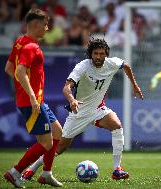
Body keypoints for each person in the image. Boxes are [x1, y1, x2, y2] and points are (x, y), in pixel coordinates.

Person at [21, 38, 144, 181]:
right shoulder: (82, 67)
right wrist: (72, 100)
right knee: (59, 147)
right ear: (90, 54)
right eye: (96, 53)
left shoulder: (112, 63)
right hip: (79, 112)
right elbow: (66, 88)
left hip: (98, 109)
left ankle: (117, 169)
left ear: (106, 54)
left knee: (117, 126)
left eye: (102, 54)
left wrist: (135, 86)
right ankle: (32, 169)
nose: (98, 57)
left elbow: (126, 66)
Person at [4, 8, 63, 188]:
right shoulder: (31, 47)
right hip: (32, 102)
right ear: (35, 25)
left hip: (38, 101)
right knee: (46, 143)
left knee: (57, 132)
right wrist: (30, 95)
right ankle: (15, 172)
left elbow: (9, 68)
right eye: (45, 25)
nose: (47, 28)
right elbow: (20, 70)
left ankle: (46, 174)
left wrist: (26, 89)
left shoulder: (19, 42)